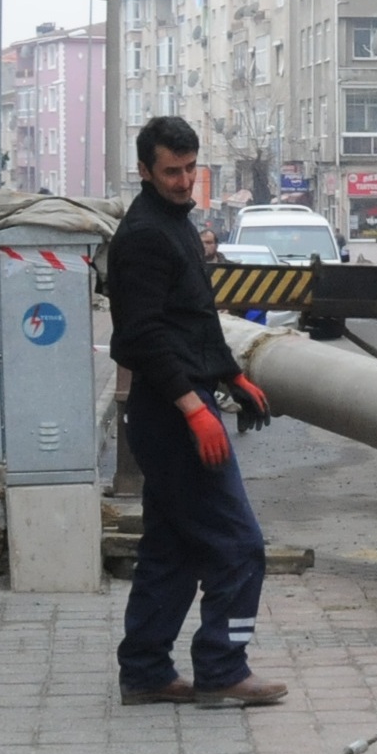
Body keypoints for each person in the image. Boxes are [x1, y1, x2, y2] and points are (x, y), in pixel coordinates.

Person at [107, 115, 287, 709]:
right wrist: (195, 408)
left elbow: (191, 323)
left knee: (172, 547)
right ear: (144, 171)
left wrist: (230, 374)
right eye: (171, 171)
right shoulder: (142, 237)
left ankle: (144, 670)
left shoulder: (178, 226)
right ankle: (222, 667)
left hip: (180, 408)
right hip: (171, 416)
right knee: (239, 545)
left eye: (190, 169)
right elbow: (143, 337)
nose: (184, 181)